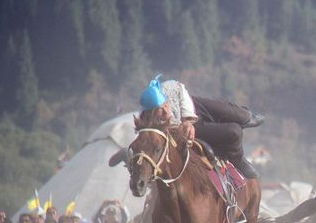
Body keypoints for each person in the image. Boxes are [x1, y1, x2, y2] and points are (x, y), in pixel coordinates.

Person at [112, 75, 264, 179]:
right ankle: (238, 160)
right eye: (160, 111)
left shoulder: (169, 88)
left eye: (165, 105)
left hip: (193, 109)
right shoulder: (149, 122)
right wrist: (177, 128)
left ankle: (247, 117)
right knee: (234, 132)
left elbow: (182, 92)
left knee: (235, 113)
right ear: (151, 112)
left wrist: (187, 119)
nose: (165, 111)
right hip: (185, 131)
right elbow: (151, 142)